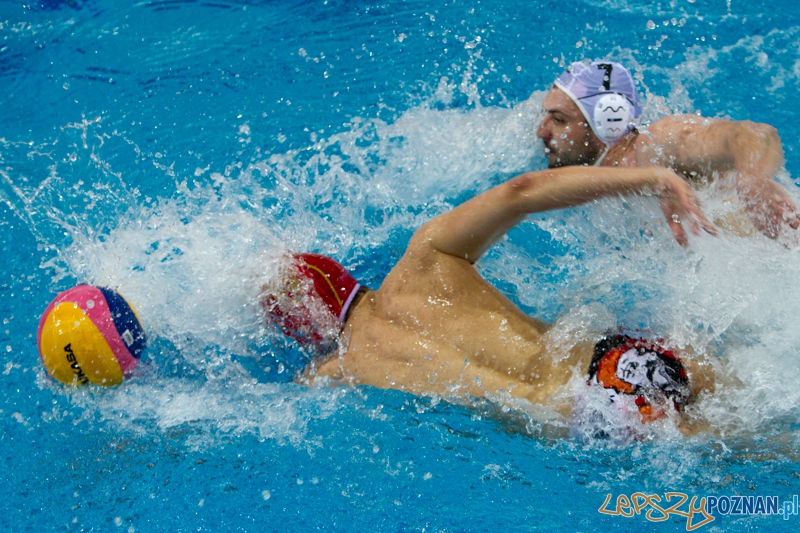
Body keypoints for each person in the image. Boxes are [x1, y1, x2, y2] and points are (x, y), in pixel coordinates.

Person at [262, 166, 717, 430]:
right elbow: (521, 192)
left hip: (585, 418)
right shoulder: (426, 259)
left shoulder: (334, 373)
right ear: (341, 274)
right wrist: (653, 176)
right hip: (611, 363)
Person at [535, 60, 800, 239]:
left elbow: (756, 134)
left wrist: (752, 181)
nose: (542, 132)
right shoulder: (604, 172)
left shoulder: (658, 145)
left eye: (559, 120)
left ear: (607, 123)